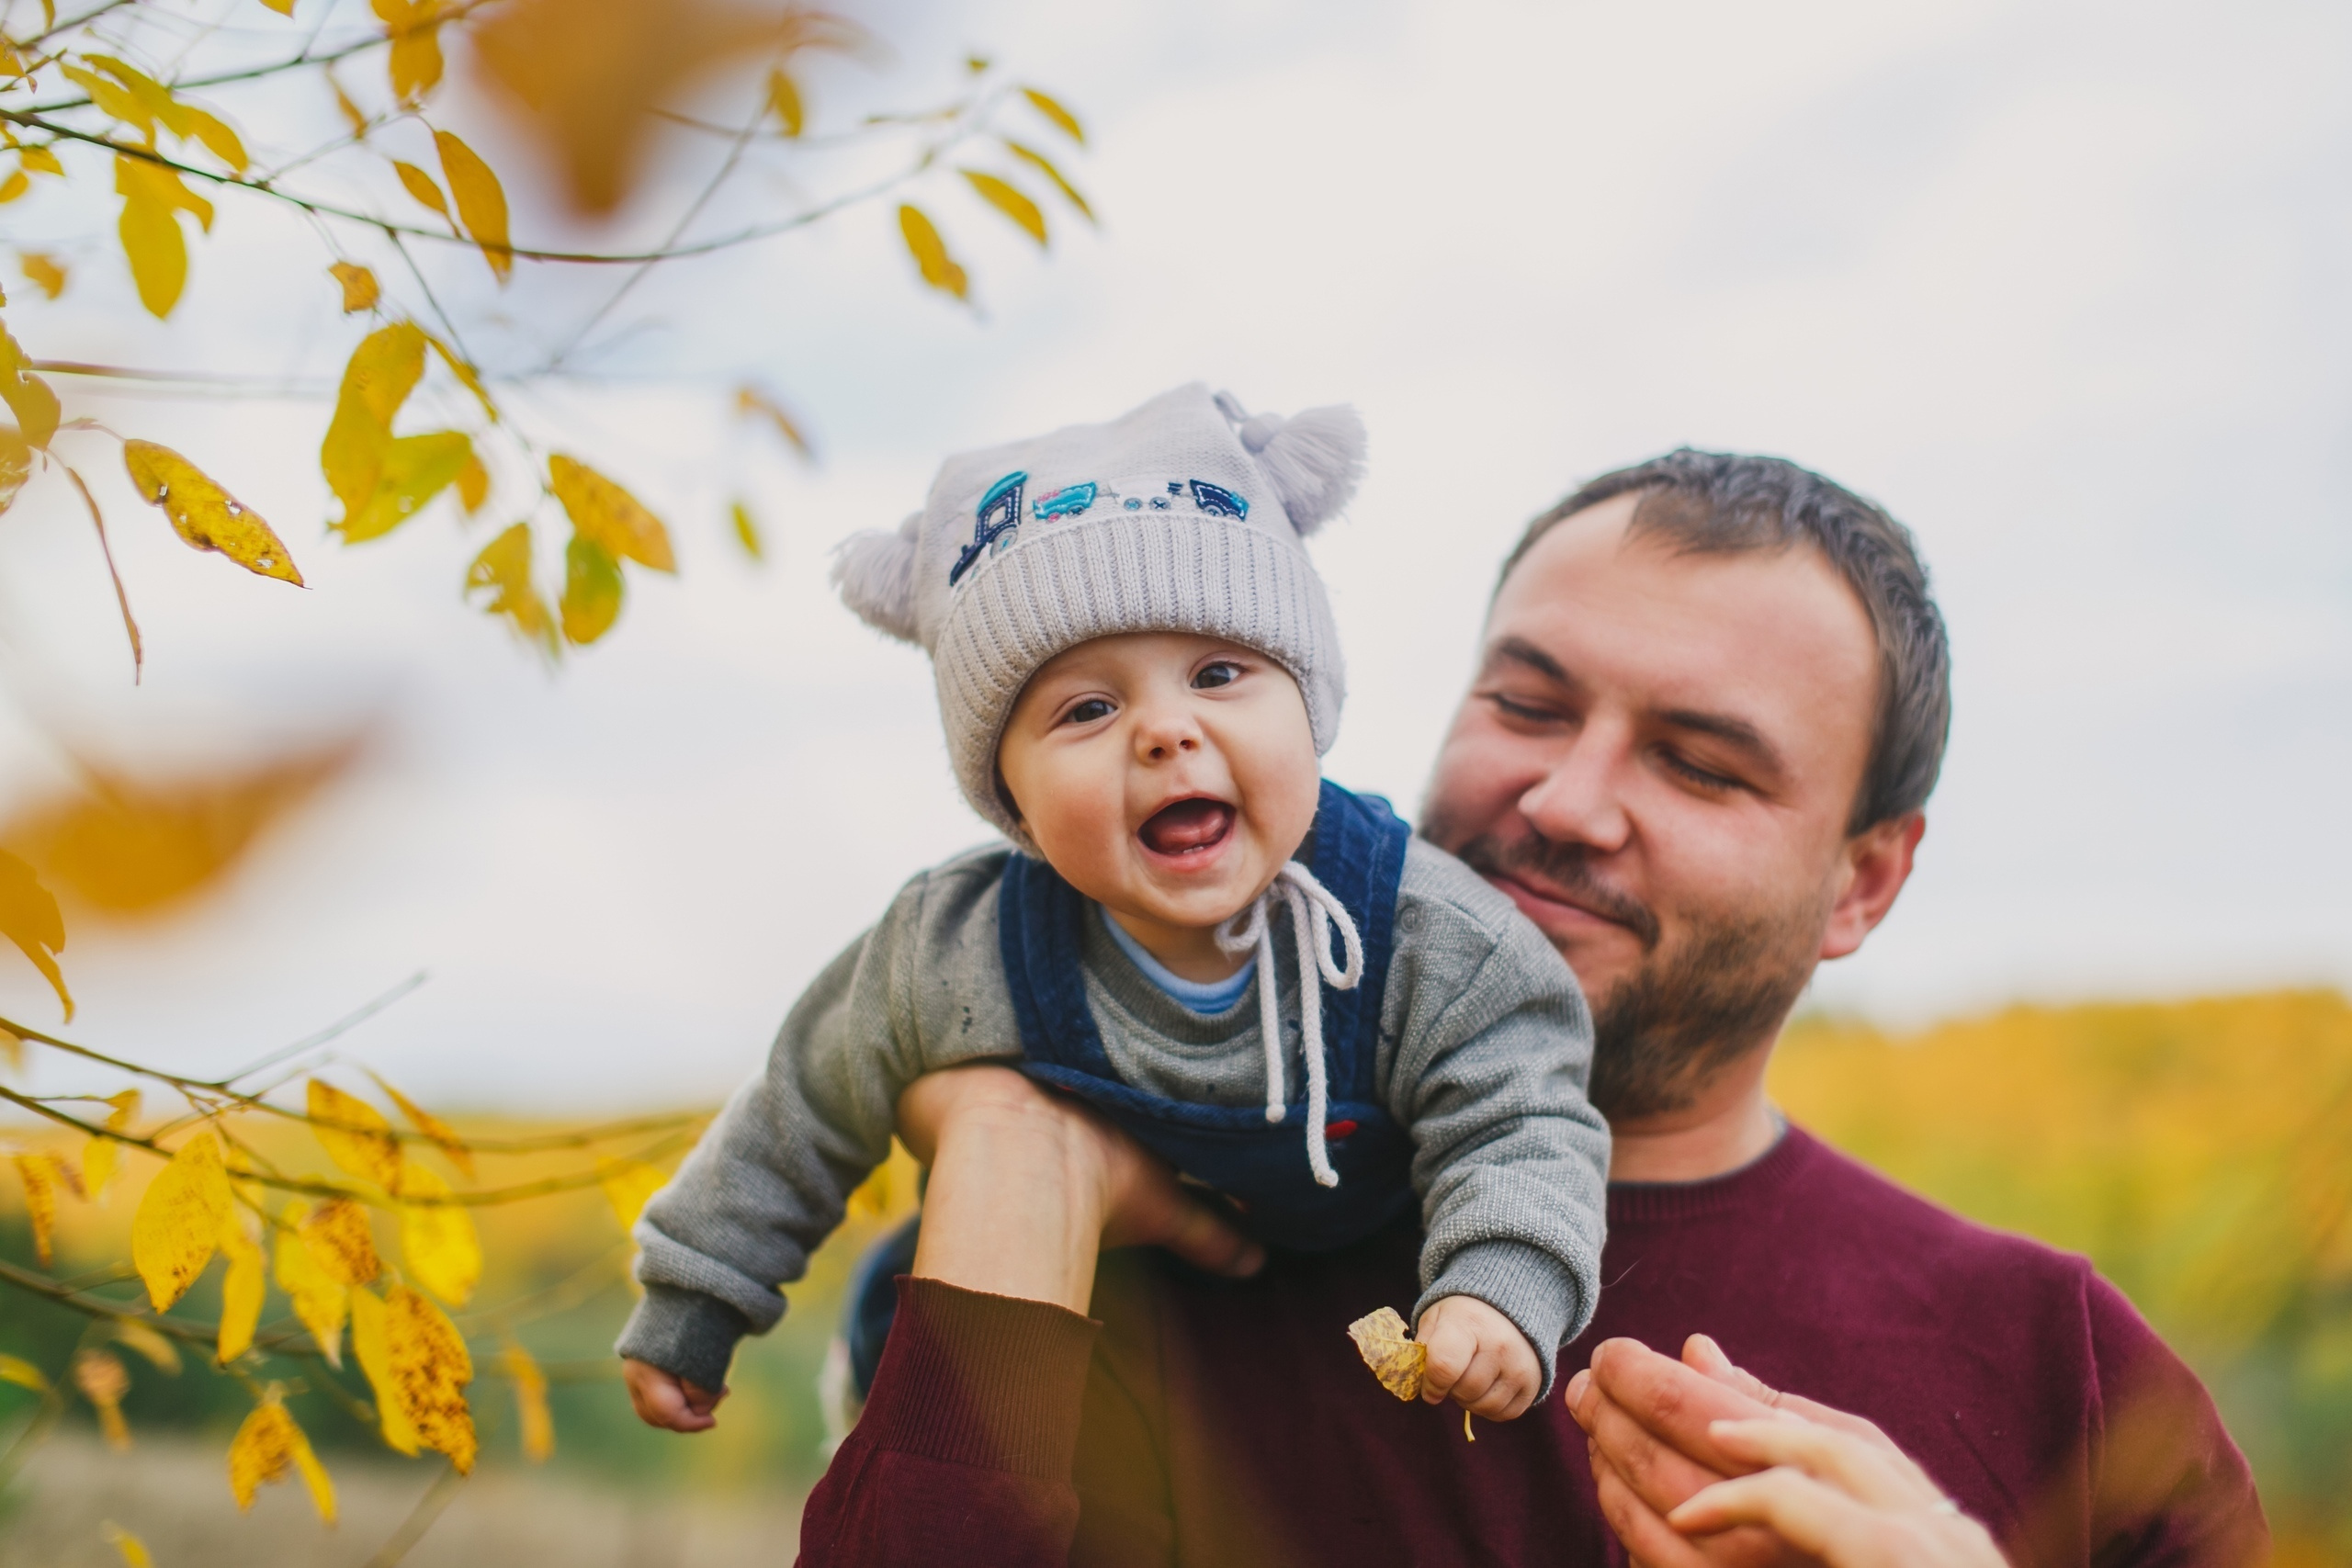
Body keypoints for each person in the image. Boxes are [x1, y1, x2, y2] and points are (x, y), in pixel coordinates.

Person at [787, 450, 2270, 1568]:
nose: (1563, 801)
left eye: (1699, 762)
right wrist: (1007, 1154)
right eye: (1529, 704)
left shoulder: (2056, 1366)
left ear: (1863, 883)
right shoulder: (1148, 1257)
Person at [614, 384, 1612, 1439]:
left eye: (1220, 673)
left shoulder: (1422, 939)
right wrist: (696, 1294)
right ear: (1013, 799)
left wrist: (1499, 1284)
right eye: (1087, 709)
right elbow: (801, 1110)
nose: (1164, 732)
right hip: (1031, 1348)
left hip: (1283, 1353)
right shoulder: (955, 949)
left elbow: (1522, 1115)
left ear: (1308, 705)